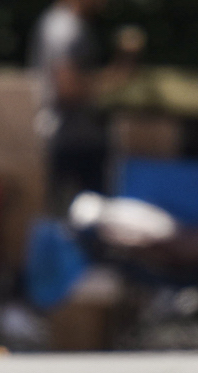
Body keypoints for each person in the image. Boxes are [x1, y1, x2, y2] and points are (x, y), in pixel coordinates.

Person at [29, 0, 143, 214]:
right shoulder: (65, 29)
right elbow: (68, 89)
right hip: (73, 141)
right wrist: (114, 79)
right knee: (75, 219)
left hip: (76, 138)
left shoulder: (65, 24)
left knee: (76, 216)